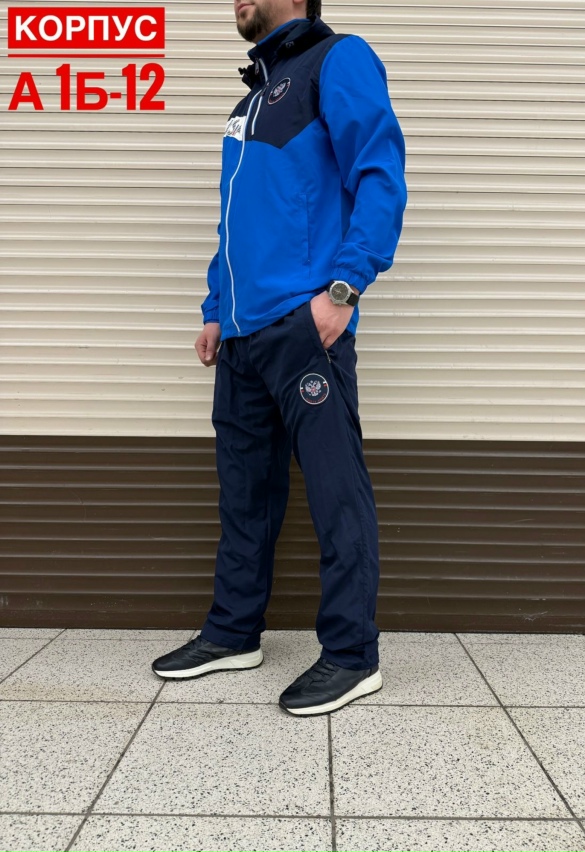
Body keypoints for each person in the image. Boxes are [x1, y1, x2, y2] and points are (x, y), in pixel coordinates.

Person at [152, 0, 407, 716]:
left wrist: (343, 289)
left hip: (303, 327)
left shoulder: (337, 59)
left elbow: (380, 173)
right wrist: (215, 308)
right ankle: (233, 633)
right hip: (239, 337)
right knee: (245, 498)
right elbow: (236, 223)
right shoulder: (250, 102)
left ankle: (352, 655)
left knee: (335, 491)